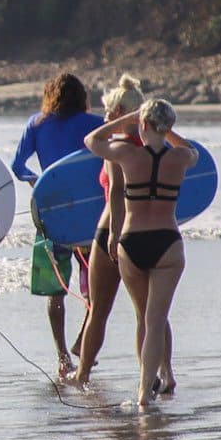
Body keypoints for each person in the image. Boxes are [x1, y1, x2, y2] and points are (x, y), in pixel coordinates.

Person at [83, 99, 197, 410]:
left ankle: (145, 390)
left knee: (142, 317)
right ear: (168, 126)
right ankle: (145, 392)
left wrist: (128, 119)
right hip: (167, 243)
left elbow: (92, 140)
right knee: (156, 320)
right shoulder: (180, 158)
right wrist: (166, 130)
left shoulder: (127, 154)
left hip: (131, 242)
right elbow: (193, 151)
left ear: (142, 125)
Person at [70, 75, 164, 387]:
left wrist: (113, 234)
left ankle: (82, 374)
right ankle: (160, 375)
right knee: (150, 314)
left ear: (121, 112)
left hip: (112, 232)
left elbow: (115, 191)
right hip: (146, 232)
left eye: (109, 110)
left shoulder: (117, 146)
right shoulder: (152, 148)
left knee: (99, 311)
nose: (105, 116)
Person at [12, 73, 104, 375]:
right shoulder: (96, 124)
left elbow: (17, 166)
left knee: (56, 290)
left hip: (52, 213)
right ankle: (82, 341)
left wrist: (39, 182)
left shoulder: (36, 124)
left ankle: (63, 356)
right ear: (82, 97)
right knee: (96, 286)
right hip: (90, 216)